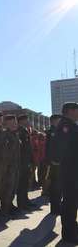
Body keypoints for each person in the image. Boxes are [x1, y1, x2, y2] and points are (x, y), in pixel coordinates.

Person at [54, 103, 78, 244]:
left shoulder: (70, 125)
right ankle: (69, 234)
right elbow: (63, 151)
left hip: (72, 170)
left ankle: (72, 229)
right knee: (70, 203)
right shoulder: (66, 127)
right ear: (70, 111)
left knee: (72, 202)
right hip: (70, 172)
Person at [0, 115, 21, 217]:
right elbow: (4, 153)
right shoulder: (5, 135)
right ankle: (5, 208)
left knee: (13, 188)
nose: (14, 124)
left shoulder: (15, 134)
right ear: (7, 124)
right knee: (7, 188)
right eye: (12, 123)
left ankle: (10, 205)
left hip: (15, 165)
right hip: (8, 167)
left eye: (15, 122)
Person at [16, 114, 35, 210]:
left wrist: (31, 159)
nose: (27, 121)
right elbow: (21, 148)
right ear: (21, 121)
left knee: (26, 182)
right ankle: (22, 203)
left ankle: (25, 200)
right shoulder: (19, 131)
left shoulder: (25, 130)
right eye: (26, 120)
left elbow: (28, 147)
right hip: (22, 162)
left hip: (26, 160)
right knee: (22, 183)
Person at [45, 114, 62, 214]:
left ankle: (56, 207)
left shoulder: (57, 131)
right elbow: (50, 148)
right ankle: (55, 208)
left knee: (58, 186)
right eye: (58, 121)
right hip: (54, 163)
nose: (59, 122)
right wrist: (52, 160)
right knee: (55, 186)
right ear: (53, 121)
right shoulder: (52, 132)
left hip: (58, 162)